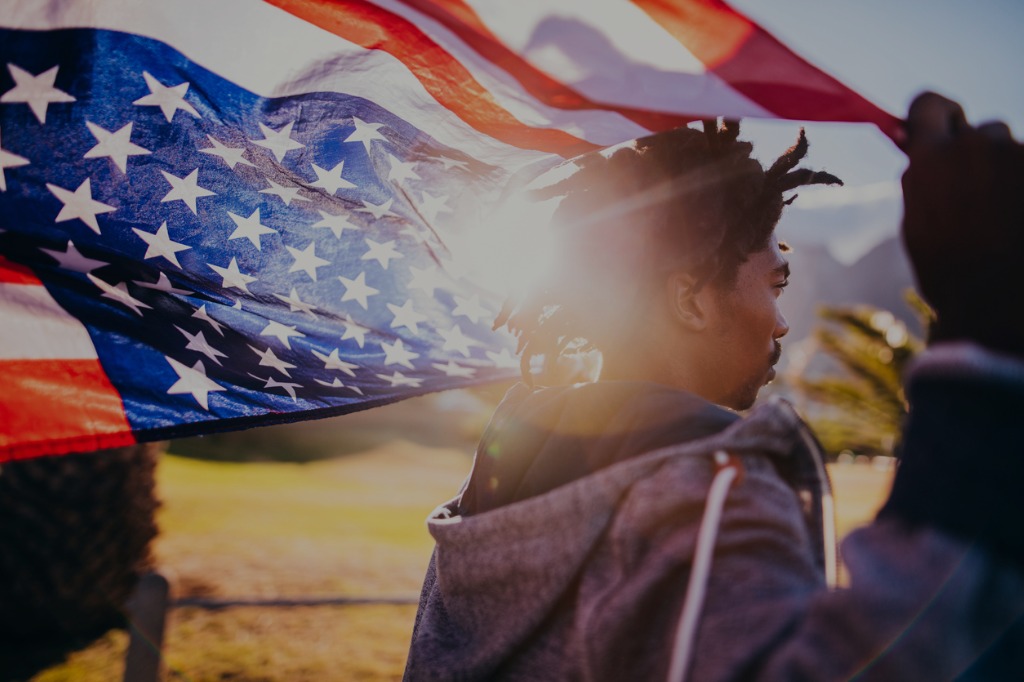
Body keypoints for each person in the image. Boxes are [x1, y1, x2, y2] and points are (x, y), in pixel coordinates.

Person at [404, 93, 1024, 681]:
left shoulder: (493, 486)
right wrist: (988, 328)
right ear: (690, 300)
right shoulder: (708, 488)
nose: (783, 321)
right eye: (775, 286)